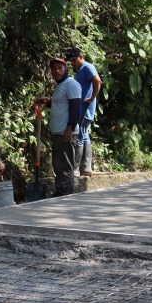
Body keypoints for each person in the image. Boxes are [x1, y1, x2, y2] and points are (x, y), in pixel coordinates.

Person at [41, 54, 84, 196]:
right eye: (54, 68)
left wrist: (70, 128)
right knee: (59, 164)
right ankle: (61, 191)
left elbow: (75, 107)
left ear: (66, 69)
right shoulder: (61, 86)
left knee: (65, 165)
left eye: (60, 68)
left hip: (65, 132)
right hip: (58, 132)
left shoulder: (71, 84)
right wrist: (49, 102)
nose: (57, 71)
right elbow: (61, 105)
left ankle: (65, 193)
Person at [66, 47, 102, 176]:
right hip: (82, 108)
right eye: (71, 61)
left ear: (81, 57)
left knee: (80, 136)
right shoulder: (81, 70)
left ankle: (75, 169)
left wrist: (92, 98)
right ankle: (86, 168)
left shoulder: (87, 67)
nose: (72, 63)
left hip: (85, 108)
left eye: (74, 60)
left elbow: (97, 80)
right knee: (84, 135)